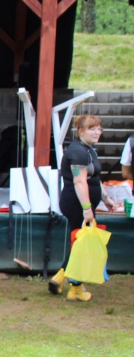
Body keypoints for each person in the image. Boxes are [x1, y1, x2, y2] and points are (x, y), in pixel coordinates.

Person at [47, 114, 116, 301]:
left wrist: (106, 198)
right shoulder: (77, 151)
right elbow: (79, 181)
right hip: (76, 204)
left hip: (83, 203)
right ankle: (75, 289)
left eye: (99, 128)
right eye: (92, 128)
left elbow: (93, 177)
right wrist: (87, 208)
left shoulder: (89, 149)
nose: (97, 132)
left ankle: (60, 278)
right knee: (81, 245)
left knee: (79, 243)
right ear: (80, 131)